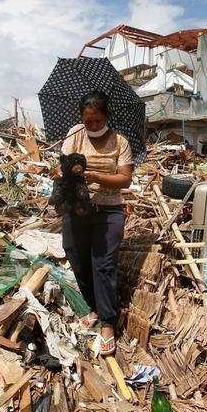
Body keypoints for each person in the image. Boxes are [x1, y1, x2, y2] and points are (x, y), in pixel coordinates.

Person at [58, 91, 133, 356]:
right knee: (76, 256)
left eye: (97, 121)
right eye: (87, 121)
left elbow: (125, 179)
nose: (92, 125)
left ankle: (108, 323)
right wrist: (65, 172)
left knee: (103, 264)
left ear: (106, 116)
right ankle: (94, 308)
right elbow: (63, 167)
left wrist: (95, 176)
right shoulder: (74, 135)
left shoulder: (120, 142)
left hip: (109, 210)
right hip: (77, 209)